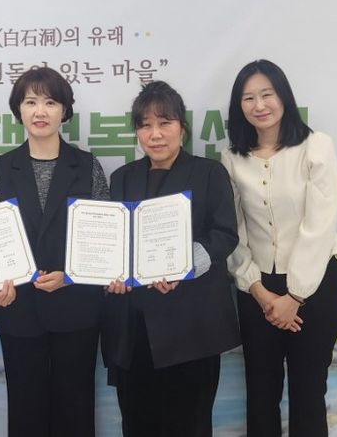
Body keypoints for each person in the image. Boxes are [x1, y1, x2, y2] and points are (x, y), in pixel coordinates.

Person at [102, 80, 241, 437]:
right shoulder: (122, 178)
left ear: (182, 127)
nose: (155, 134)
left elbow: (225, 234)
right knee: (137, 424)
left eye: (165, 123)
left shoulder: (209, 173)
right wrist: (110, 275)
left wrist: (183, 267)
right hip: (134, 331)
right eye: (145, 125)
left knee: (189, 425)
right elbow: (114, 243)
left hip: (192, 328)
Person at [221, 59, 337, 437]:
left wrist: (294, 296)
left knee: (309, 393)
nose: (259, 105)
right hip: (256, 288)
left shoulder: (316, 146)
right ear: (239, 106)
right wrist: (259, 292)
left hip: (314, 286)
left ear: (284, 97)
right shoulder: (232, 158)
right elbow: (234, 231)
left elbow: (320, 226)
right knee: (261, 394)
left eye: (267, 94)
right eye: (248, 98)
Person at [0, 66, 109, 437]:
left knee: (76, 409)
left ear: (64, 110)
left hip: (77, 307)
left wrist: (70, 275)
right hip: (17, 307)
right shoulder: (2, 167)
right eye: (31, 102)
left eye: (50, 102)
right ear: (18, 110)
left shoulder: (87, 166)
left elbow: (104, 239)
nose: (40, 111)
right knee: (25, 411)